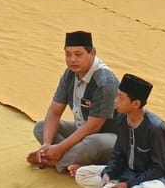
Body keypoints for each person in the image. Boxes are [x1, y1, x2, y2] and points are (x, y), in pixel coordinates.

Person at [70, 74, 165, 188]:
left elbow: (158, 168)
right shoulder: (121, 119)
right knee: (82, 175)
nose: (115, 101)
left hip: (161, 178)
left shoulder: (156, 128)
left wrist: (126, 185)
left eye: (120, 98)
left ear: (136, 104)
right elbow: (118, 154)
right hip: (130, 172)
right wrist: (108, 175)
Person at [29, 31, 123, 172]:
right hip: (82, 130)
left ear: (92, 53)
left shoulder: (104, 82)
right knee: (41, 127)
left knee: (92, 143)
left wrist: (60, 148)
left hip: (111, 137)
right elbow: (54, 111)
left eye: (78, 54)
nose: (72, 59)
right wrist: (47, 144)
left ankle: (55, 161)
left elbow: (93, 127)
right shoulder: (70, 74)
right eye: (68, 54)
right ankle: (67, 159)